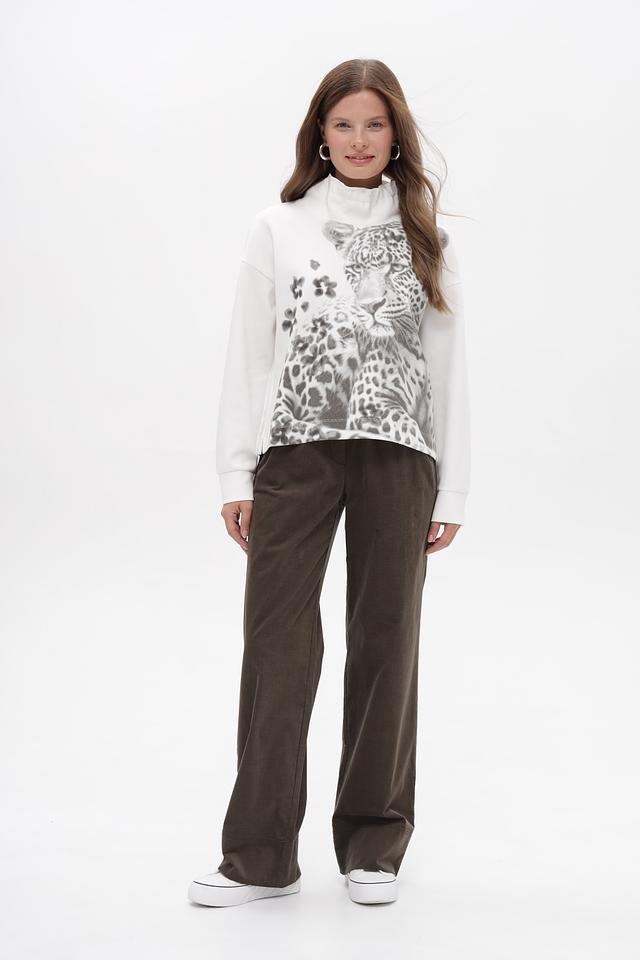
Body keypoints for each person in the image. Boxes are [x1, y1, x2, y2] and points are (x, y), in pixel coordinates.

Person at [188, 57, 470, 909]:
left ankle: (373, 844)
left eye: (374, 124)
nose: (358, 139)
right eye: (343, 124)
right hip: (296, 452)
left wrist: (452, 488)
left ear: (396, 136)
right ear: (320, 134)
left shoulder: (426, 236)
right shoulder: (279, 227)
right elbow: (250, 352)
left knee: (387, 640)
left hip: (399, 453)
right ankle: (259, 857)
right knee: (277, 643)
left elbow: (449, 367)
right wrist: (237, 471)